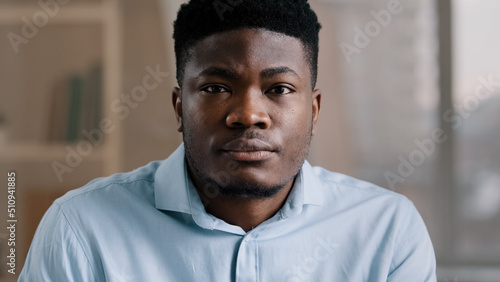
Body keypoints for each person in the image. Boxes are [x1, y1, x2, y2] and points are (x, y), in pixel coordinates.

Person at [20, 0, 436, 281]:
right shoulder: (80, 229)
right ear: (180, 108)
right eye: (217, 87)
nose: (249, 114)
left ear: (314, 110)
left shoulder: (388, 232)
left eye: (280, 89)